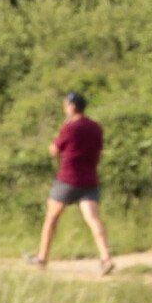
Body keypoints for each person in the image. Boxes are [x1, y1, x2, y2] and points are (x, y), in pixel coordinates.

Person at [30, 93, 112, 273]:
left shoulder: (69, 128)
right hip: (90, 179)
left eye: (66, 105)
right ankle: (106, 258)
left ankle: (42, 258)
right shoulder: (96, 127)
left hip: (68, 178)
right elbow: (98, 149)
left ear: (72, 107)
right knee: (93, 218)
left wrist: (59, 138)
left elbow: (54, 151)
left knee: (51, 218)